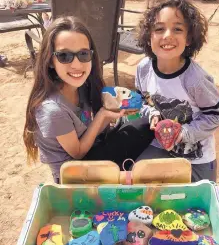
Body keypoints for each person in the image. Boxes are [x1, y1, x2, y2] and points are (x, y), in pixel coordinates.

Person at [23, 16, 153, 183]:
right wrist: (103, 115)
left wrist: (114, 111)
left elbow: (91, 129)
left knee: (142, 120)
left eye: (83, 54)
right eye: (64, 56)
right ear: (50, 61)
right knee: (142, 128)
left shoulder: (82, 87)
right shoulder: (52, 110)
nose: (77, 65)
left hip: (91, 152)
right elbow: (78, 152)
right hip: (73, 176)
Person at [135, 0, 219, 182]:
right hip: (159, 144)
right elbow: (140, 100)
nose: (167, 35)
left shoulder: (195, 79)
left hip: (196, 155)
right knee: (139, 179)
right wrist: (151, 113)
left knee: (197, 200)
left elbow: (216, 115)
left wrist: (184, 133)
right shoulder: (144, 68)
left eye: (177, 29)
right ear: (149, 35)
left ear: (189, 38)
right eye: (159, 29)